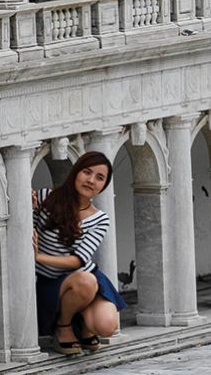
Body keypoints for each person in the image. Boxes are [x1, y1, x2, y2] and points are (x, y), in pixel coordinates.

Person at [33, 151, 127, 355]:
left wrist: (38, 257)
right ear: (76, 172)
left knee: (107, 326)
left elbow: (78, 261)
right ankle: (63, 327)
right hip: (49, 281)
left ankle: (79, 325)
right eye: (87, 172)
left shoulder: (100, 219)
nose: (91, 180)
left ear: (103, 186)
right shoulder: (45, 198)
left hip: (83, 277)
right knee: (85, 282)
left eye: (99, 178)